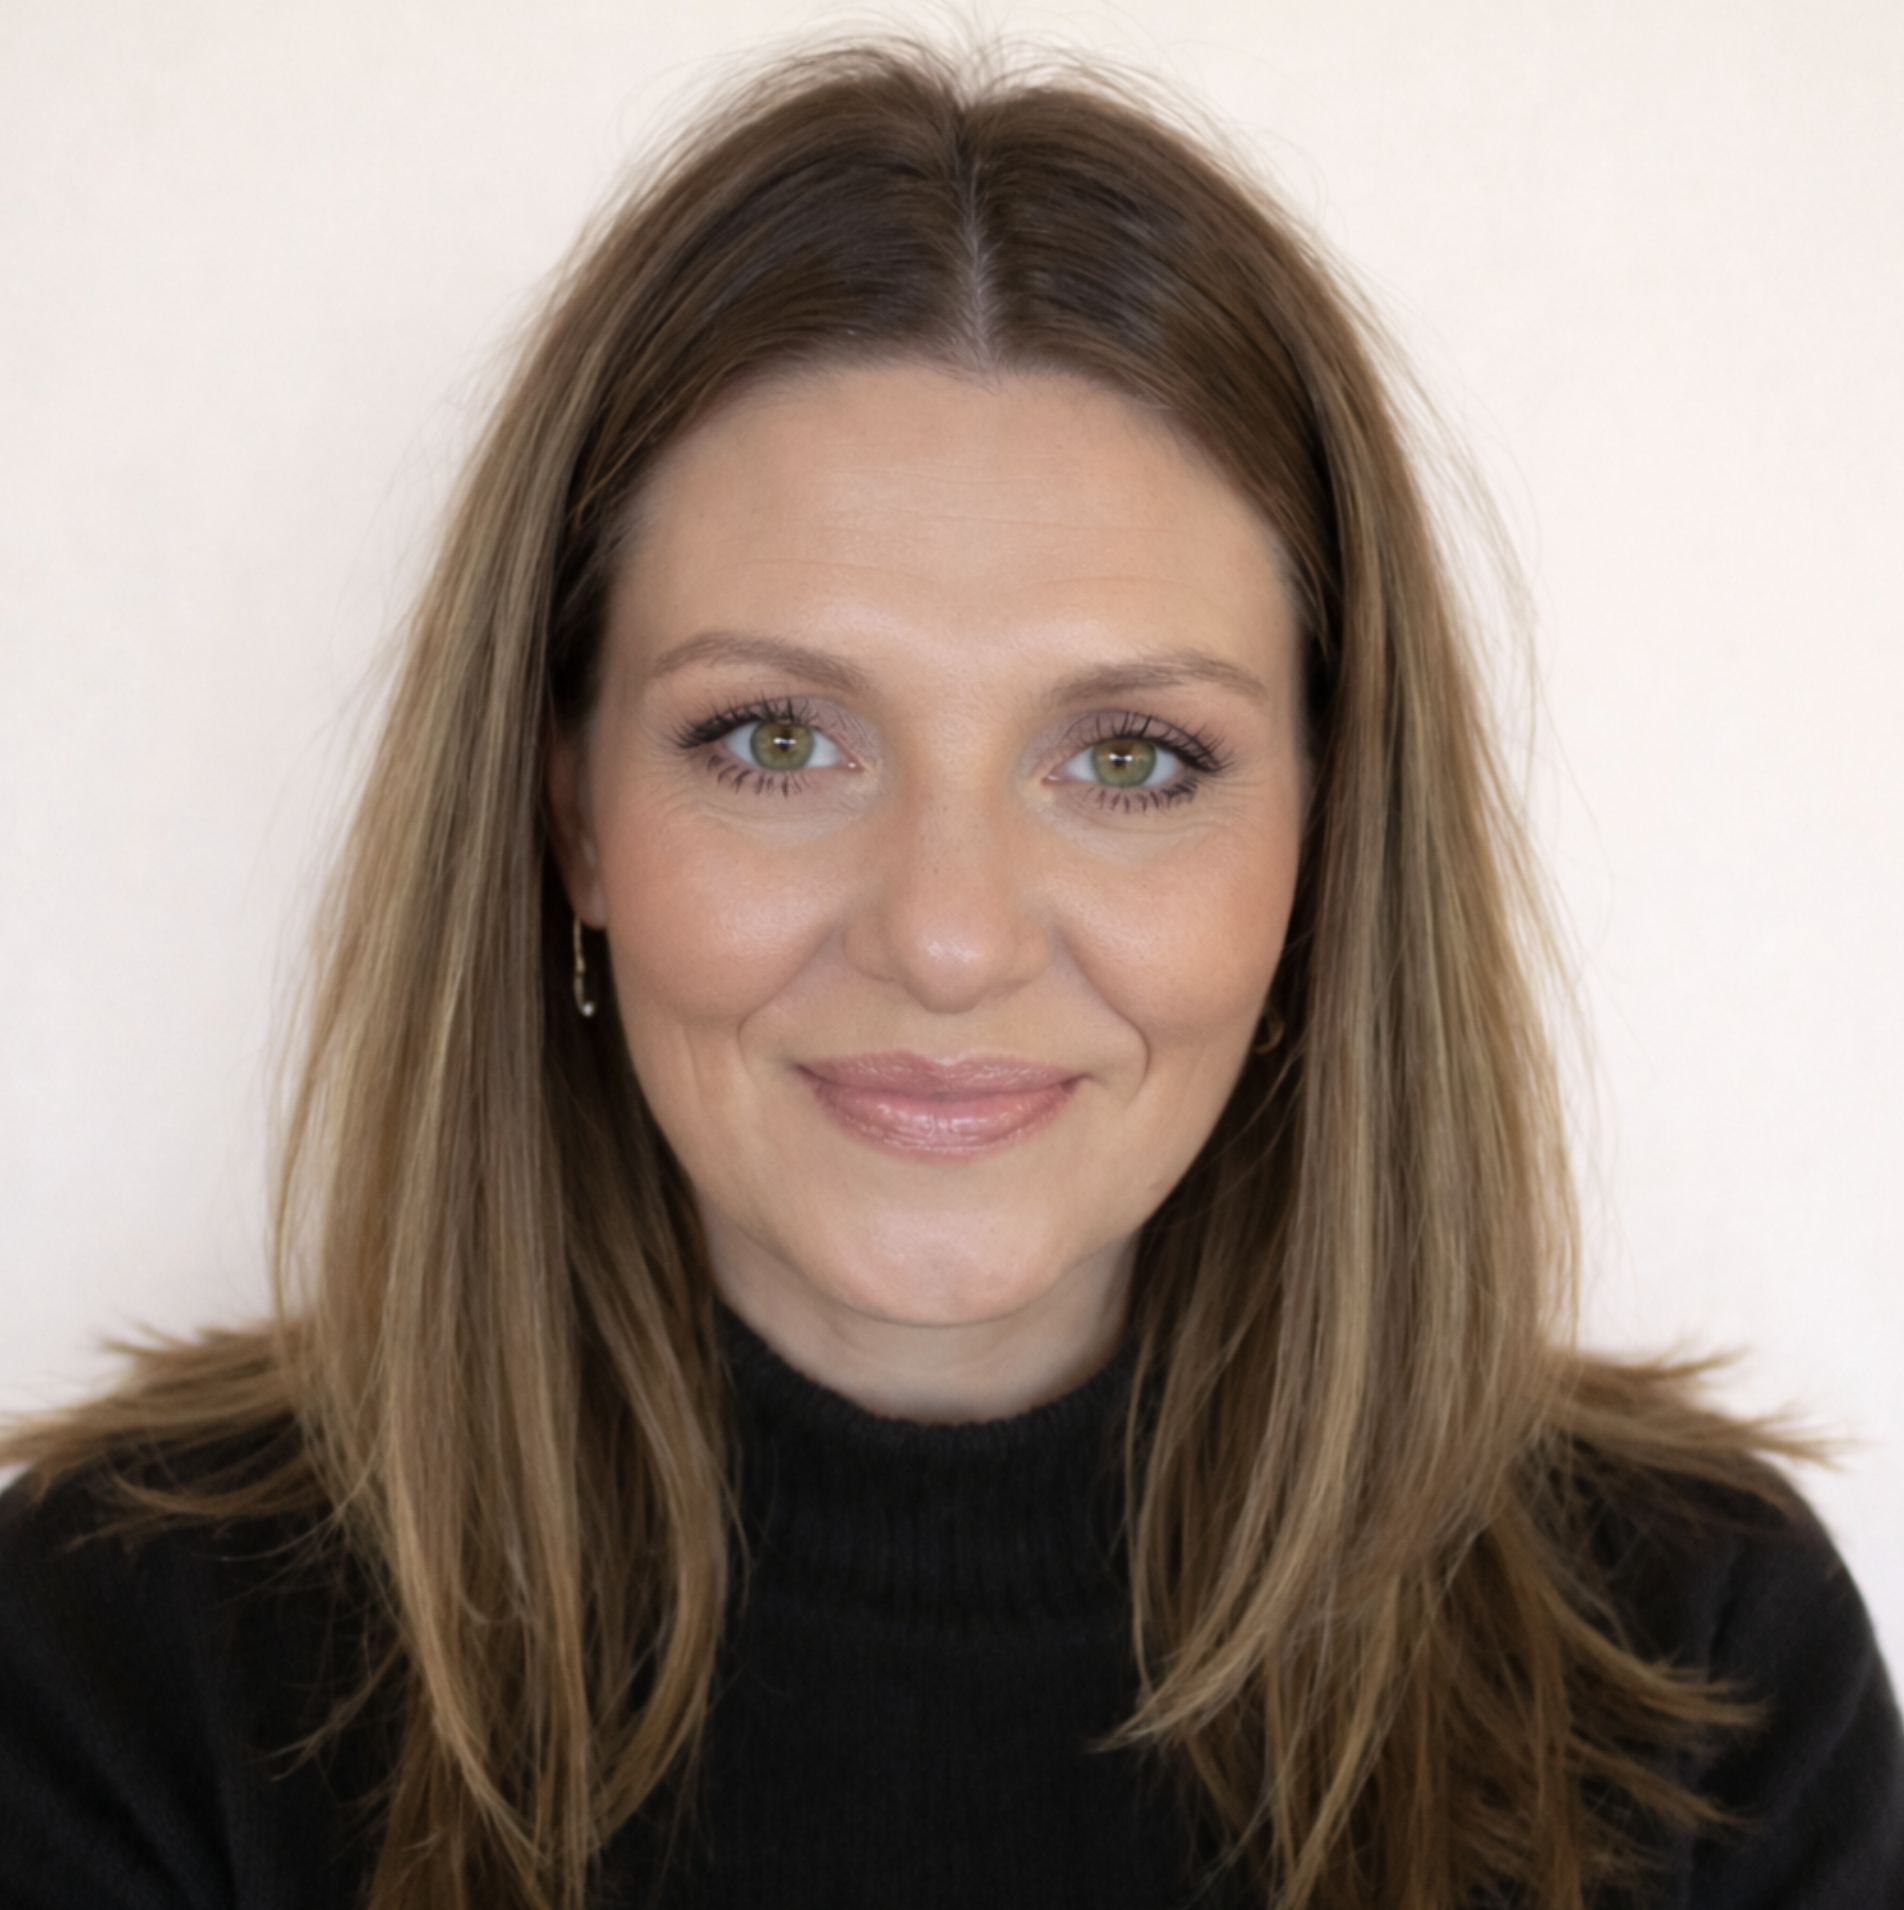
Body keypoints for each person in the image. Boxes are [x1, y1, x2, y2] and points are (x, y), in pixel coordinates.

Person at [0, 40, 1897, 1910]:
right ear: (565, 807)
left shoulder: (1701, 1672)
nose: (950, 934)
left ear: (1330, 852)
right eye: (774, 740)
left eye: (1133, 758)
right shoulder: (124, 1660)